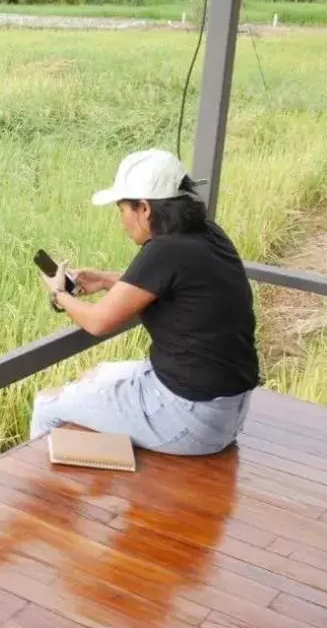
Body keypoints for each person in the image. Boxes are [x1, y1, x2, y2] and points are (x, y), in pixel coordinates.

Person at [30, 148, 260, 455]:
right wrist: (105, 279)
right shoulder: (206, 234)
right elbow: (169, 284)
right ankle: (107, 466)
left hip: (190, 417)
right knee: (96, 375)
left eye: (122, 209)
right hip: (226, 408)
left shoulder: (164, 250)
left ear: (145, 208)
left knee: (48, 405)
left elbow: (99, 322)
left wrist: (60, 295)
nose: (122, 220)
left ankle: (50, 499)